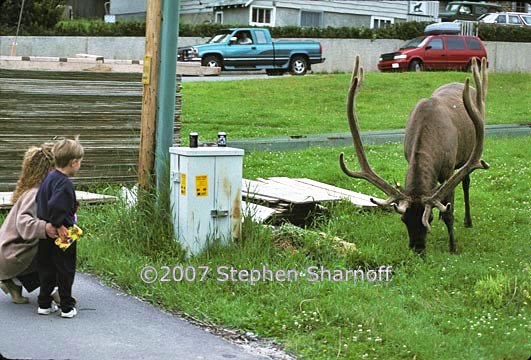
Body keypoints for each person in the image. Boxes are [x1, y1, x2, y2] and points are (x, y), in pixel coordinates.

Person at [0, 144, 58, 304]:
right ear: (49, 171)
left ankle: (13, 282)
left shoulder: (37, 191)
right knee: (52, 248)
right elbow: (24, 222)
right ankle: (54, 289)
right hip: (13, 254)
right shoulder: (35, 194)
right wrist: (45, 228)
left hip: (10, 253)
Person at [36, 137, 84, 318]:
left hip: (45, 232)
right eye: (79, 163)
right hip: (61, 232)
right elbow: (57, 204)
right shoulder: (64, 182)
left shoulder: (49, 178)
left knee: (46, 268)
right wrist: (60, 224)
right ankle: (66, 306)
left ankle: (44, 304)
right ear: (73, 162)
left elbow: (41, 200)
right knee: (65, 269)